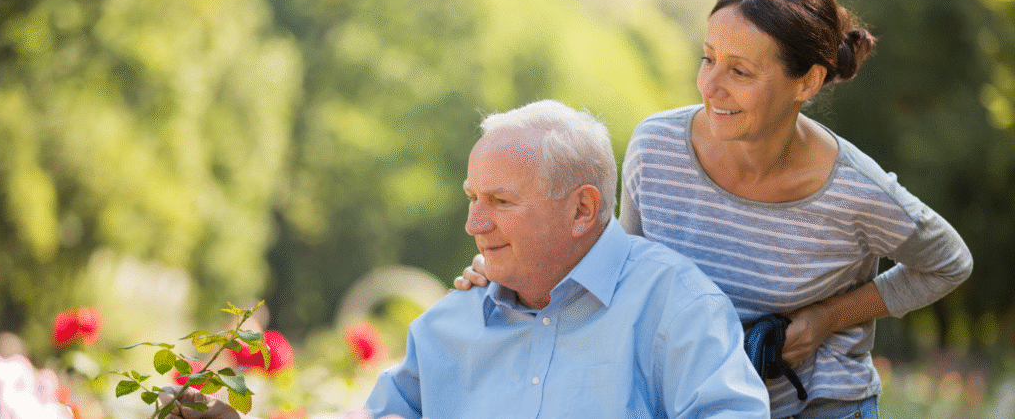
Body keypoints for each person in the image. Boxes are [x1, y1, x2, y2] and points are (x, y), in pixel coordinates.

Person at [456, 0, 974, 419]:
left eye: (740, 72)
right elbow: (620, 267)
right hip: (688, 402)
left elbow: (948, 264)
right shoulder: (656, 147)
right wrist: (510, 271)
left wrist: (824, 320)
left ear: (808, 82)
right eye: (708, 59)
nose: (710, 86)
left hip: (817, 406)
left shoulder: (857, 190)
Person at [158, 100, 771, 419]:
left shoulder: (674, 307)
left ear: (583, 209)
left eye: (501, 201)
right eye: (473, 199)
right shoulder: (446, 327)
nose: (474, 223)